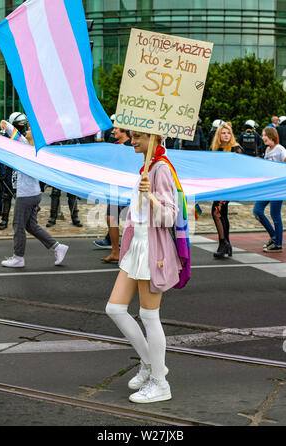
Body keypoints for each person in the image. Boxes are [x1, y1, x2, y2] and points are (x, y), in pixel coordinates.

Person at [105, 131, 188, 404]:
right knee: (115, 309)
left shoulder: (162, 169)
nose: (132, 141)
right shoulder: (147, 167)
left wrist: (150, 196)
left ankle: (160, 383)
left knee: (149, 316)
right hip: (137, 249)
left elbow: (169, 217)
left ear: (154, 138)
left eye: (138, 137)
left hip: (153, 252)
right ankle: (151, 364)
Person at [0, 115, 69, 268]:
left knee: (18, 225)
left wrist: (6, 124)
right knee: (31, 226)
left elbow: (17, 136)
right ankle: (57, 247)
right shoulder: (35, 149)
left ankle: (18, 257)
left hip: (26, 194)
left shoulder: (30, 149)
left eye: (30, 129)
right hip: (32, 193)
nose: (27, 130)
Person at [94, 128, 131, 263]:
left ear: (124, 131)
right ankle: (116, 252)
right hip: (117, 187)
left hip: (130, 188)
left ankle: (133, 252)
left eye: (116, 128)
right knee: (111, 218)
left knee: (133, 221)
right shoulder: (116, 146)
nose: (113, 130)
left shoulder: (133, 145)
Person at [253, 126, 286, 252]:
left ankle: (278, 244)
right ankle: (274, 236)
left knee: (275, 215)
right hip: (268, 187)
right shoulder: (267, 150)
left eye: (265, 135)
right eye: (262, 135)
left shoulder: (280, 148)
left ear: (271, 136)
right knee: (257, 211)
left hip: (278, 188)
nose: (263, 137)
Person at [211, 124, 243, 259]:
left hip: (229, 185)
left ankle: (223, 243)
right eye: (223, 133)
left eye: (228, 133)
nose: (226, 135)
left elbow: (241, 167)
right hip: (218, 185)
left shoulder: (236, 148)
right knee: (222, 213)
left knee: (216, 212)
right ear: (219, 135)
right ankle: (226, 243)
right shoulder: (216, 149)